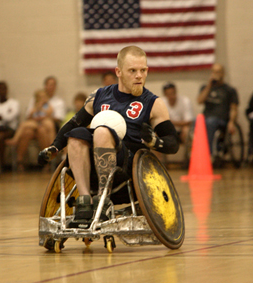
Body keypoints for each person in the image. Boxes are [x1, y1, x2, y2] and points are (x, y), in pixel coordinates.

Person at [38, 46, 178, 224]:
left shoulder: (153, 103)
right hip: (90, 164)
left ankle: (103, 201)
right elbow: (73, 123)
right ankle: (85, 201)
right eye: (132, 71)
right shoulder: (98, 96)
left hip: (127, 166)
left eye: (143, 70)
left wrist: (154, 142)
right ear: (118, 72)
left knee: (102, 132)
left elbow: (173, 143)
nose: (139, 76)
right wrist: (55, 146)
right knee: (76, 135)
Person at [6, 77, 65, 170]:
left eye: (53, 85)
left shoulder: (57, 102)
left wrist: (43, 115)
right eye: (49, 85)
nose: (51, 87)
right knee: (27, 131)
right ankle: (19, 160)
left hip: (47, 126)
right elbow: (29, 116)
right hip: (35, 124)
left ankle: (47, 160)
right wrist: (37, 109)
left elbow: (57, 118)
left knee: (42, 129)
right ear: (45, 86)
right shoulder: (35, 101)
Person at [197, 63, 239, 152]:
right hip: (206, 118)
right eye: (213, 72)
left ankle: (208, 152)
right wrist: (209, 85)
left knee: (211, 122)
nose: (215, 74)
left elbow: (234, 108)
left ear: (223, 74)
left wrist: (232, 122)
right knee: (196, 121)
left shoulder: (230, 90)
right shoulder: (206, 87)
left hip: (221, 120)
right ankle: (196, 152)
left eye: (218, 72)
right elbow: (200, 101)